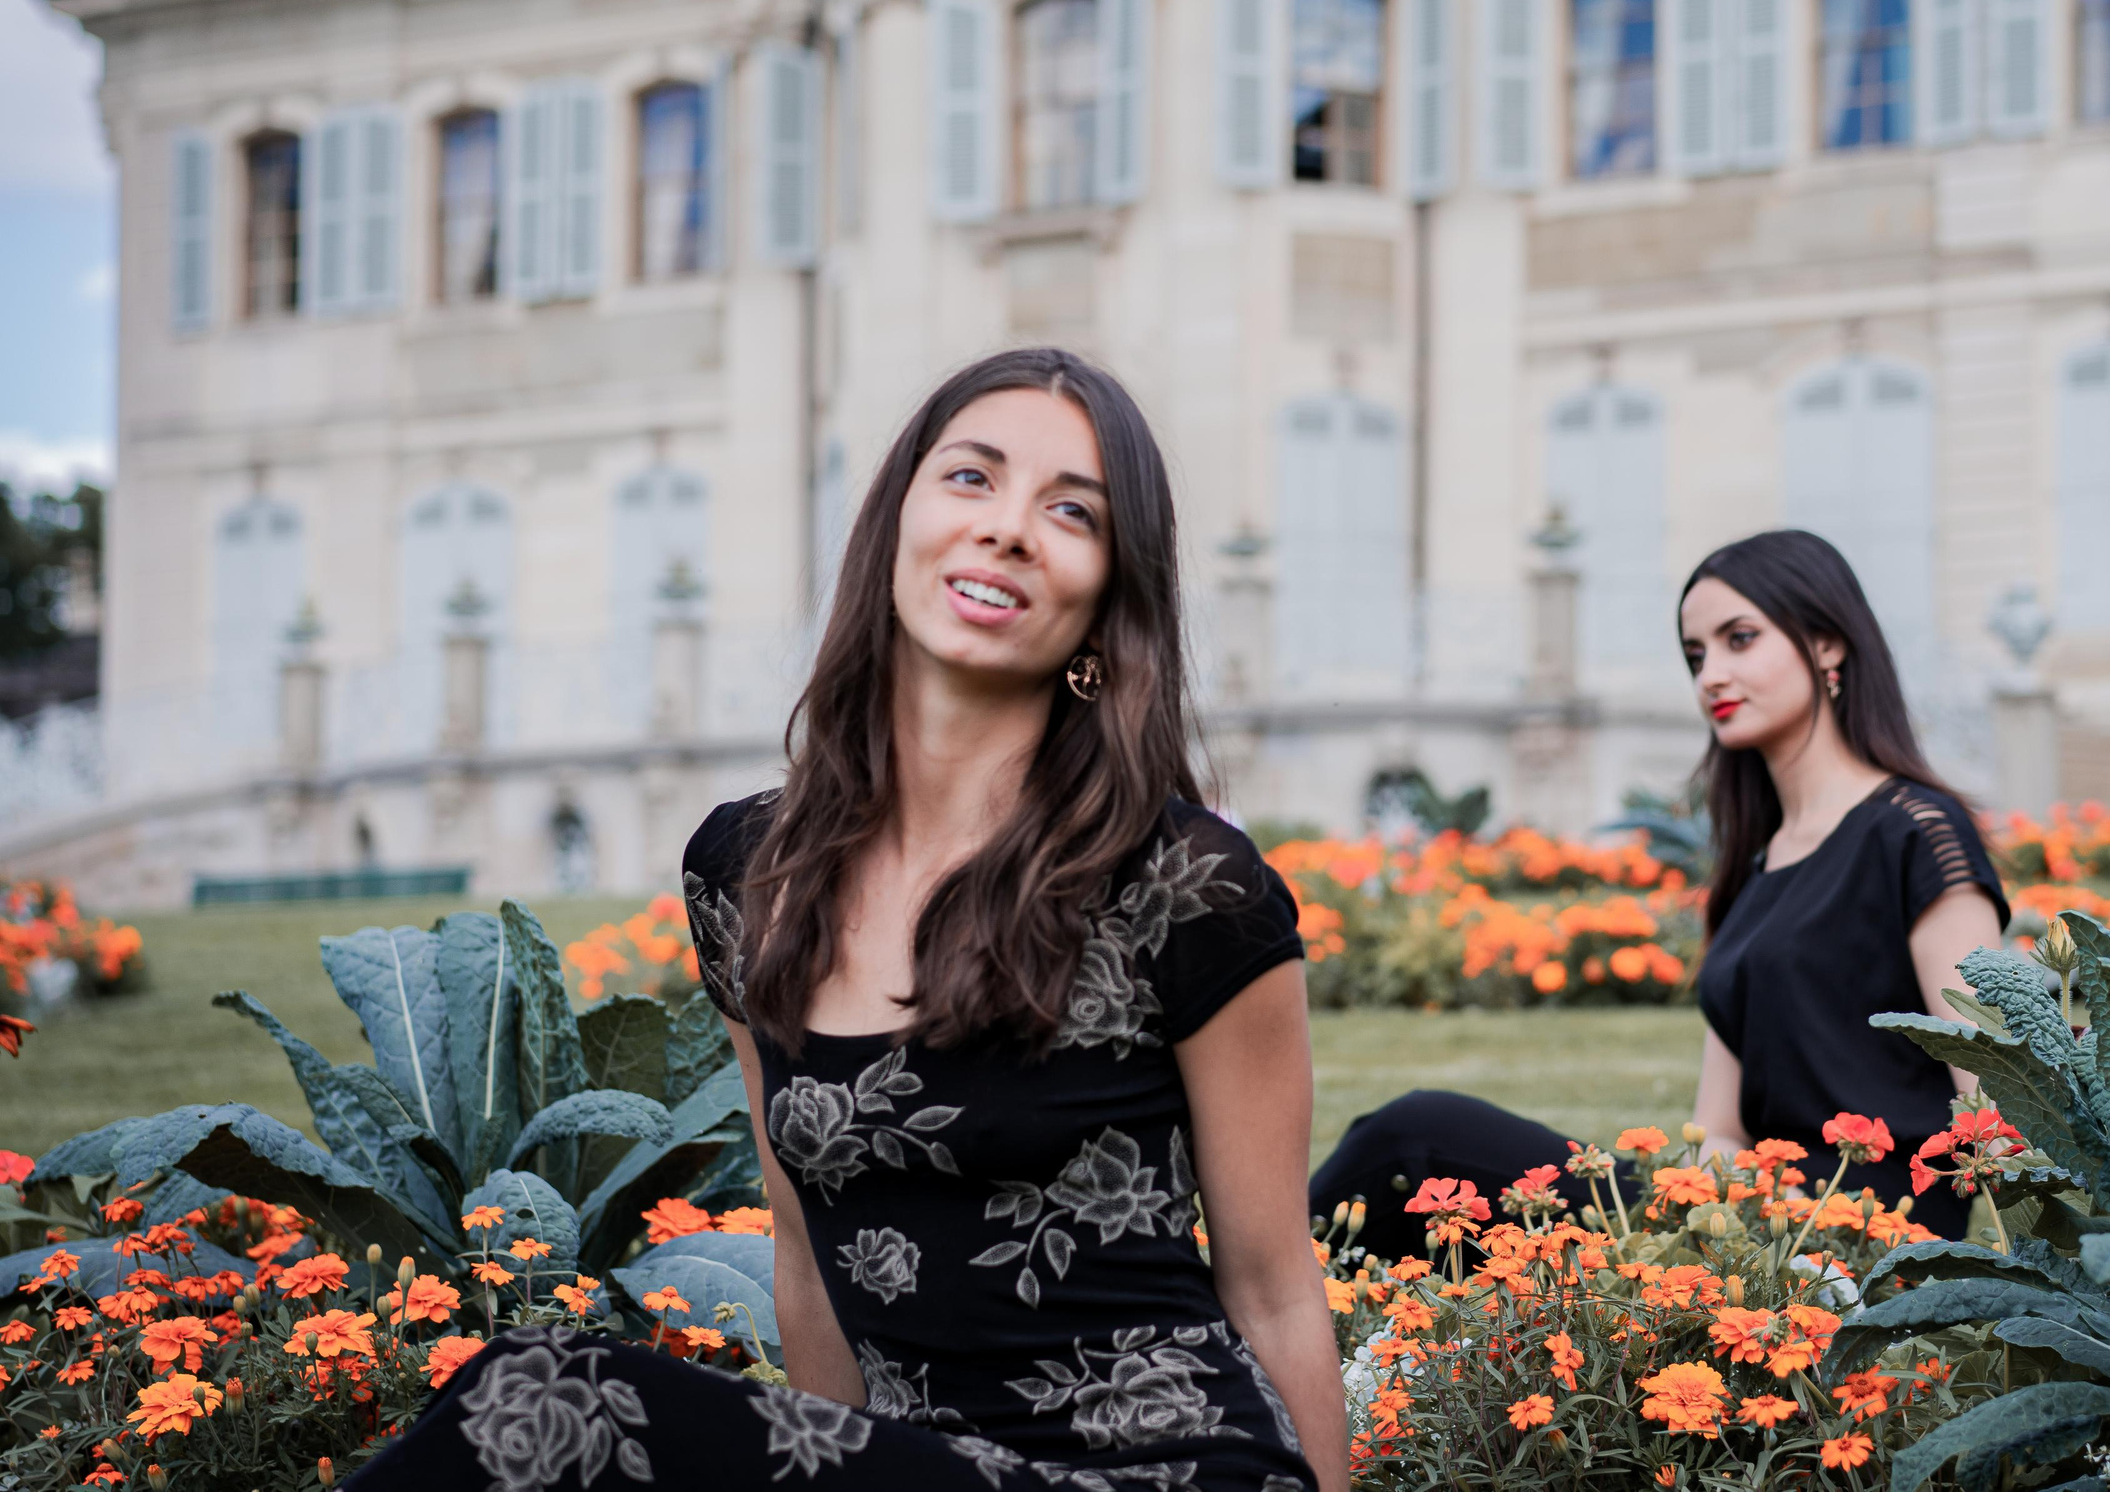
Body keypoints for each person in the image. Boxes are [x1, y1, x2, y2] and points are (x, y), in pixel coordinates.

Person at [356, 347, 1345, 1492]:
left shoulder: (1185, 885)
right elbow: (807, 1262)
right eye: (972, 477)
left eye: (1072, 511)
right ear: (894, 525)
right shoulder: (750, 877)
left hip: (1173, 1471)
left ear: (1105, 605)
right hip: (927, 1468)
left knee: (548, 1396)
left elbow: (1274, 1290)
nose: (1009, 527)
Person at [1311, 528, 2008, 1251]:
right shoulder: (1758, 867)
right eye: (1697, 655)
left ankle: (1250, 1296)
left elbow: (1991, 1094)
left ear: (1828, 644)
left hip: (1865, 1236)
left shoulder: (1918, 831)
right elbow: (1721, 1130)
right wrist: (1680, 1229)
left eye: (1740, 639)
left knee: (1417, 1138)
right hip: (1747, 1230)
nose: (1711, 676)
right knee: (1418, 1194)